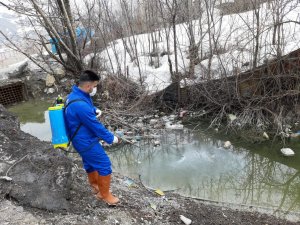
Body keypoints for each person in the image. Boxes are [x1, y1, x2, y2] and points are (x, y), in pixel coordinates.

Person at [64, 70, 120, 205]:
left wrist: (93, 109)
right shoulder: (80, 105)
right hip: (85, 141)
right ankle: (105, 195)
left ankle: (95, 187)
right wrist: (110, 138)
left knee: (90, 163)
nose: (95, 89)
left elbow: (84, 107)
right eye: (94, 86)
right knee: (104, 165)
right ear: (88, 86)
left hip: (80, 138)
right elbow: (95, 125)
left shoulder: (75, 95)